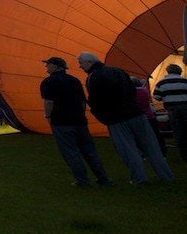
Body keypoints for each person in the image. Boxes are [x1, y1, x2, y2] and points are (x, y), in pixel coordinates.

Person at [77, 52, 172, 184]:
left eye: (80, 63)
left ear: (89, 62)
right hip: (135, 113)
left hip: (116, 118)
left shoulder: (93, 78)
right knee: (151, 145)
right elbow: (132, 90)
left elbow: (96, 101)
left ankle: (139, 178)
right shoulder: (117, 71)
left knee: (127, 149)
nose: (80, 66)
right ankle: (166, 175)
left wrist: (102, 117)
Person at [39, 57, 113, 187]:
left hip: (61, 122)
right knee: (89, 150)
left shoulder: (48, 82)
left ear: (56, 66)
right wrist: (80, 114)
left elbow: (48, 101)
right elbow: (83, 102)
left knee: (70, 151)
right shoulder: (75, 80)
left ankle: (82, 180)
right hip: (79, 121)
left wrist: (48, 116)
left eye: (48, 65)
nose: (46, 67)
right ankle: (103, 178)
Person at [153, 63, 187, 162]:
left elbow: (156, 97)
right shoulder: (185, 81)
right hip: (185, 107)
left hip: (172, 109)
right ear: (180, 71)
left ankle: (184, 155)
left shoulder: (161, 83)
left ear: (168, 71)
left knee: (178, 132)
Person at [132, 77, 166, 158]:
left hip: (139, 117)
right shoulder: (145, 91)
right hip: (150, 116)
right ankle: (162, 152)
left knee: (139, 136)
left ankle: (145, 152)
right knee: (156, 134)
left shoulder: (132, 93)